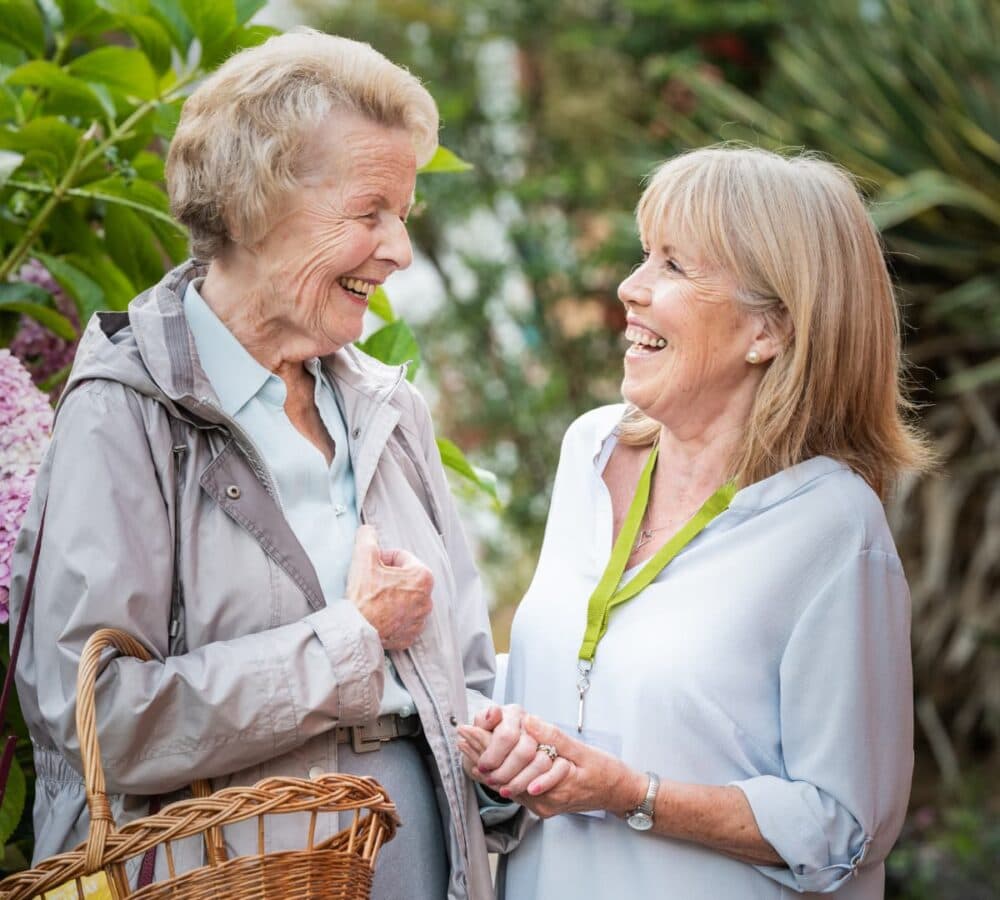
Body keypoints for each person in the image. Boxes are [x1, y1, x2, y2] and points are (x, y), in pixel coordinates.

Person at [10, 30, 499, 900]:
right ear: (255, 204)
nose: (399, 252)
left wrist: (504, 763)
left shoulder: (391, 409)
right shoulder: (124, 411)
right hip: (228, 874)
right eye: (369, 212)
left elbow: (466, 668)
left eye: (404, 217)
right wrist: (348, 645)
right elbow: (99, 724)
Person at [458, 146, 931, 899]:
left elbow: (845, 825)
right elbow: (583, 682)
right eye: (644, 256)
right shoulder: (590, 451)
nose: (628, 288)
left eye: (673, 267)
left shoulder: (834, 525)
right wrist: (502, 741)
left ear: (768, 331)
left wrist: (630, 794)